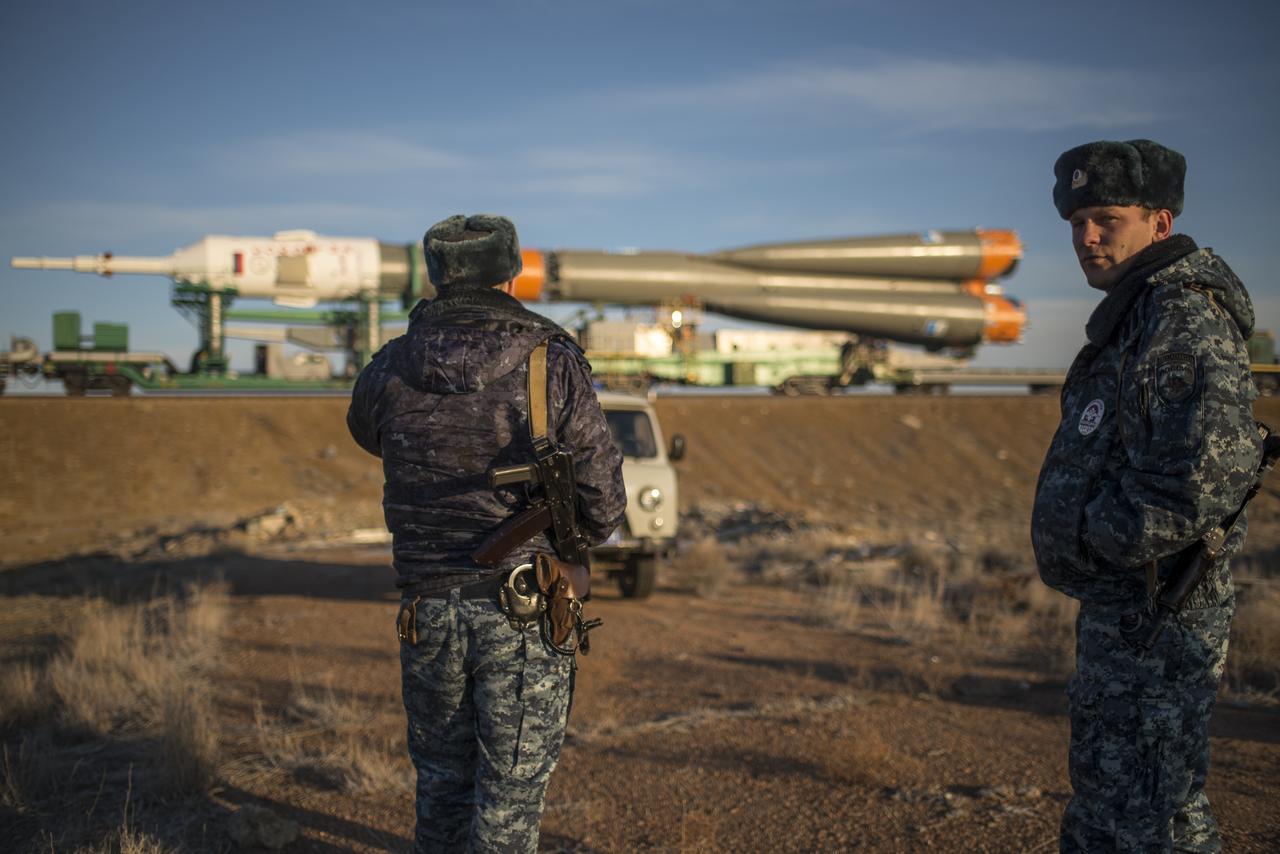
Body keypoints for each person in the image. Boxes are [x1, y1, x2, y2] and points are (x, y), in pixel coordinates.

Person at [347, 214, 626, 852]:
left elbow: (367, 433)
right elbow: (603, 499)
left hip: (426, 610)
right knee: (510, 794)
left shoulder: (389, 365)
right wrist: (577, 543)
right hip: (523, 608)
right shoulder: (548, 361)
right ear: (511, 272)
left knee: (442, 783)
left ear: (435, 276)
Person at [1031, 140, 1262, 852]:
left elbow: (1197, 483)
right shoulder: (1136, 317)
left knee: (1155, 815)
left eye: (1106, 219)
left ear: (1160, 224)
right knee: (1109, 799)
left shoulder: (1182, 318)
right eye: (1076, 223)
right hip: (1123, 611)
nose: (1087, 238)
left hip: (1158, 613)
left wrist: (1093, 540)